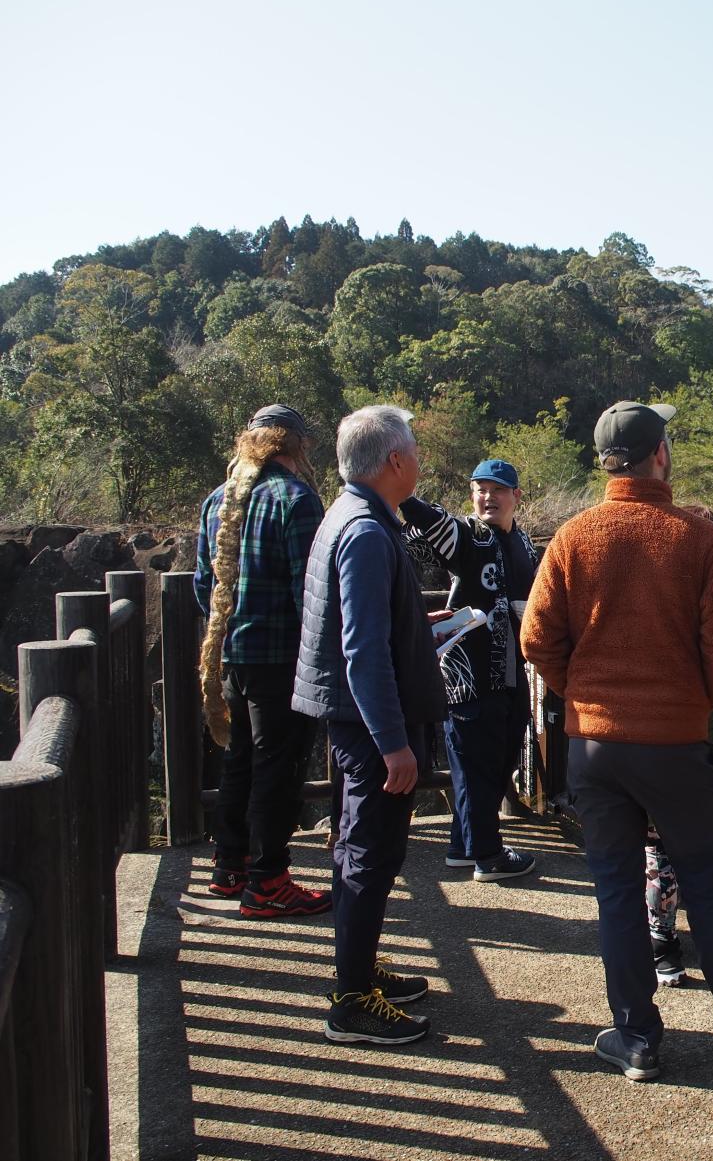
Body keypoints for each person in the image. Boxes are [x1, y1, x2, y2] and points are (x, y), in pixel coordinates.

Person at [522, 400, 713, 1082]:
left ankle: (636, 1037)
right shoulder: (697, 538)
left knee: (615, 887)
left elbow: (536, 639)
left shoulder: (574, 537)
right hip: (675, 742)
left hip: (595, 747)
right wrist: (689, 703)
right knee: (705, 880)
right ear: (660, 454)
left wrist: (583, 695)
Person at [293, 405, 447, 1046]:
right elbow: (361, 649)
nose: (417, 458)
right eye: (412, 448)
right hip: (369, 725)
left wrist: (424, 631)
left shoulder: (351, 514)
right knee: (367, 853)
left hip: (358, 716)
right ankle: (351, 1000)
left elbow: (371, 631)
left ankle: (360, 966)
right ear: (393, 461)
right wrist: (393, 745)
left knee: (367, 850)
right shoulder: (364, 531)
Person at [193, 403, 329, 918]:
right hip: (281, 659)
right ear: (296, 445)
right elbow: (308, 594)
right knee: (279, 766)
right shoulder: (296, 500)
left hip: (232, 655)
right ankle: (268, 880)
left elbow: (205, 586)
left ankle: (230, 866)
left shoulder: (218, 500)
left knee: (241, 759)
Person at [400, 459, 538, 883]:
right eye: (479, 489)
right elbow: (430, 521)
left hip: (513, 674)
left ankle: (465, 844)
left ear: (516, 496)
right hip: (470, 675)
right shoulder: (468, 535)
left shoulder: (526, 543)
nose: (487, 497)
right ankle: (489, 856)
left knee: (497, 761)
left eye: (497, 490)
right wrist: (402, 492)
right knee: (475, 762)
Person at [645, 505, 713, 988]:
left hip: (658, 736)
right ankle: (698, 948)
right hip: (700, 736)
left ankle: (661, 944)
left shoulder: (658, 590)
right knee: (701, 855)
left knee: (660, 853)